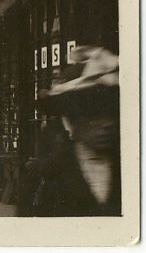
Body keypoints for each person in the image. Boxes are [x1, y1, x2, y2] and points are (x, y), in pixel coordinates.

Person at [22, 46, 121, 217]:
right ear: (73, 120)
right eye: (93, 115)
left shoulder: (130, 169)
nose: (107, 124)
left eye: (110, 113)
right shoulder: (45, 175)